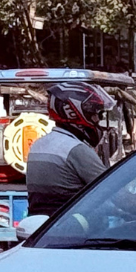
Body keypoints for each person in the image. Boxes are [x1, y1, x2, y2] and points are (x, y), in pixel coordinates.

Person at [25, 83, 113, 217]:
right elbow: (111, 189)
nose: (97, 119)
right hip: (72, 224)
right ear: (75, 113)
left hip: (42, 225)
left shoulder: (38, 145)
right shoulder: (75, 149)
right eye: (94, 114)